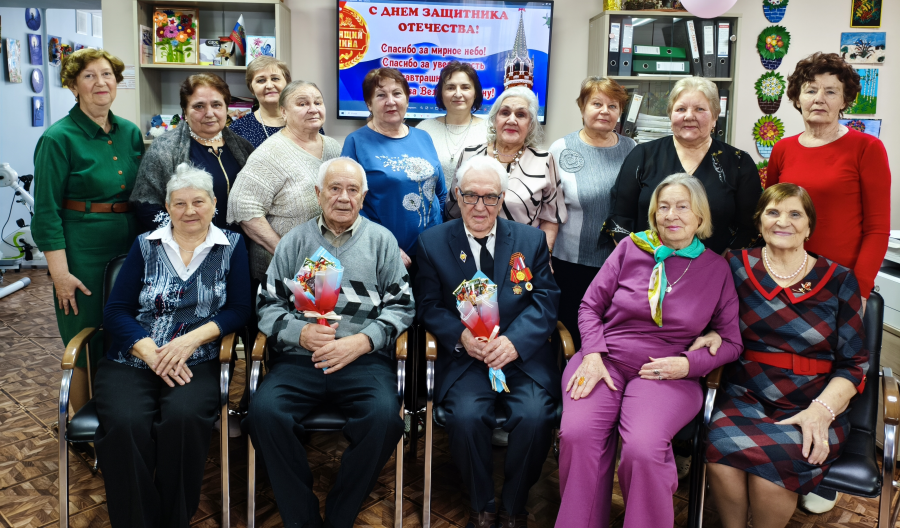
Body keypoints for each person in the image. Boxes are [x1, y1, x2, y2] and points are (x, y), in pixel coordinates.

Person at [556, 173, 742, 528]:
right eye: (663, 207)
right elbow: (589, 307)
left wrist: (688, 364)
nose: (671, 215)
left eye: (682, 207)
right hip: (605, 358)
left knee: (643, 448)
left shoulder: (717, 269)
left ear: (700, 217)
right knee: (577, 435)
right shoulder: (630, 248)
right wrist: (592, 353)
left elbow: (732, 342)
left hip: (666, 371)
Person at [247, 157, 414, 528]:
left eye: (352, 189)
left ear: (363, 195)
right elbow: (266, 306)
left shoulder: (382, 241)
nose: (343, 197)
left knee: (386, 419)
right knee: (264, 413)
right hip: (298, 361)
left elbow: (403, 307)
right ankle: (302, 519)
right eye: (334, 189)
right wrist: (299, 333)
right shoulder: (294, 241)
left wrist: (362, 342)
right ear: (318, 194)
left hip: (362, 362)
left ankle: (340, 515)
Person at [93, 163, 251, 528]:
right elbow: (115, 310)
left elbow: (241, 309)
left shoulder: (232, 246)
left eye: (199, 201)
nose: (190, 211)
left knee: (183, 421)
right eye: (179, 203)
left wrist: (192, 338)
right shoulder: (145, 245)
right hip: (132, 357)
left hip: (196, 359)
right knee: (125, 423)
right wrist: (148, 350)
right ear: (167, 206)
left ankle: (174, 519)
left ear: (214, 203)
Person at [703, 184, 868, 528]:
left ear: (809, 226)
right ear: (760, 221)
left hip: (814, 402)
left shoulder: (838, 279)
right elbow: (707, 317)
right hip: (744, 394)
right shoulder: (734, 264)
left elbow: (855, 364)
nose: (783, 221)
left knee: (773, 469)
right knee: (720, 450)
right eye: (773, 212)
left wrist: (821, 413)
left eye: (795, 214)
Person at [417, 156, 561, 528]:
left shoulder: (529, 241)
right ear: (457, 196)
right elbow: (429, 307)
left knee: (535, 416)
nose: (480, 207)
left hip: (520, 357)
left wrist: (514, 342)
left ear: (502, 198)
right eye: (471, 196)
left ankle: (514, 508)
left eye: (490, 198)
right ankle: (482, 505)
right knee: (465, 416)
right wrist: (461, 336)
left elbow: (546, 300)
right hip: (468, 358)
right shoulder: (432, 243)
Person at [32, 49, 144, 413]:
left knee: (125, 330)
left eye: (108, 75)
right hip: (81, 250)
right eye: (90, 76)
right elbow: (46, 213)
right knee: (85, 335)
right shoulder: (58, 138)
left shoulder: (129, 132)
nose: (101, 83)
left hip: (129, 244)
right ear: (72, 85)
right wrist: (59, 274)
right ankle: (82, 427)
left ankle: (121, 416)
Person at [767, 52, 890, 305]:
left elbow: (877, 229)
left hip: (840, 281)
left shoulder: (868, 148)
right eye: (811, 90)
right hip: (785, 274)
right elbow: (770, 216)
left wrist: (860, 290)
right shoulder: (782, 149)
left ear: (845, 101)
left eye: (831, 92)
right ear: (797, 98)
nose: (819, 99)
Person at [604, 76, 761, 254]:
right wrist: (639, 258)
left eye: (700, 109)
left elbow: (751, 225)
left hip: (717, 270)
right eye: (681, 109)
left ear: (715, 116)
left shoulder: (739, 162)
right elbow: (620, 217)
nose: (689, 116)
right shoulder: (642, 156)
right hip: (649, 269)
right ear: (670, 114)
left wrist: (725, 262)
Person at [549, 77, 636, 350]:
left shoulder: (632, 149)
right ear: (582, 107)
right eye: (596, 103)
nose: (604, 111)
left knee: (612, 339)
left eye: (613, 105)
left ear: (620, 112)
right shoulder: (560, 149)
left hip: (620, 265)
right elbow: (548, 210)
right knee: (572, 338)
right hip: (569, 264)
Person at [227, 81, 341, 283]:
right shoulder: (270, 153)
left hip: (322, 267)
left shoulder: (333, 147)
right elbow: (243, 207)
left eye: (318, 102)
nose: (313, 109)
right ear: (284, 112)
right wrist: (284, 252)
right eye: (302, 103)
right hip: (280, 270)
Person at [341, 67, 446, 275]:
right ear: (369, 104)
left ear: (407, 100)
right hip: (384, 253)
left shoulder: (423, 137)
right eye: (381, 95)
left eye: (397, 93)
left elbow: (440, 192)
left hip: (431, 252)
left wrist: (437, 238)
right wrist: (387, 245)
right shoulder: (356, 142)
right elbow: (350, 204)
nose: (391, 101)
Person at [447, 87, 566, 252]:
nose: (511, 120)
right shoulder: (470, 155)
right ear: (495, 119)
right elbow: (453, 209)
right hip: (470, 251)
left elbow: (551, 218)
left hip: (522, 254)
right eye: (505, 113)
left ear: (530, 124)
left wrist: (544, 257)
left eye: (521, 115)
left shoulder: (544, 160)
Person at [131, 73, 255, 232]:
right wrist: (185, 236)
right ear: (185, 110)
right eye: (199, 106)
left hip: (237, 246)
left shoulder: (243, 147)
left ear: (226, 108)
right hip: (187, 249)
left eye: (216, 104)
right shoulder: (164, 148)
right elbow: (145, 204)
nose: (209, 113)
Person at [416, 61, 489, 185]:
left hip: (474, 203)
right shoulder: (424, 129)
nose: (458, 94)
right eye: (450, 87)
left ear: (475, 93)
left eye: (465, 87)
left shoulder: (490, 130)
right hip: (430, 204)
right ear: (441, 93)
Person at [229, 56, 292, 147]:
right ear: (251, 89)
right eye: (261, 80)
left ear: (287, 83)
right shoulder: (238, 129)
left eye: (275, 78)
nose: (269, 86)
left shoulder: (305, 121)